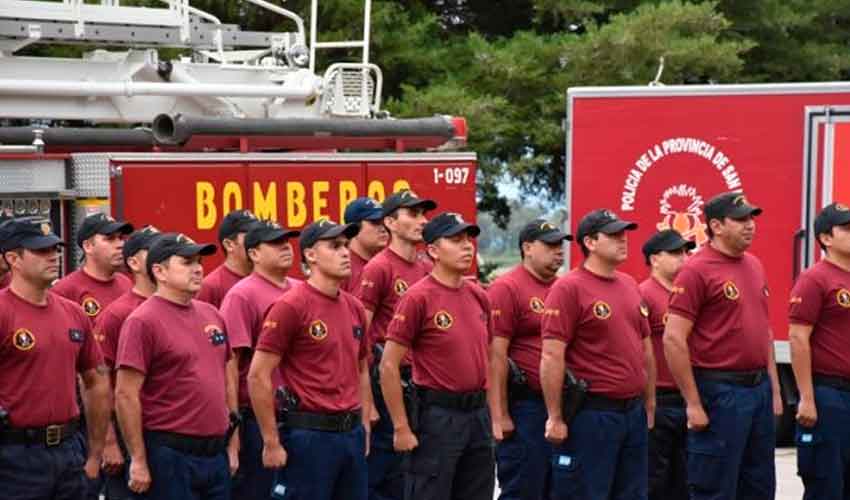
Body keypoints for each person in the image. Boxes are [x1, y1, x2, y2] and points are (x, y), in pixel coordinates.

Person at [663, 192, 781, 500]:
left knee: (758, 485)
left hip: (757, 389)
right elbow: (673, 339)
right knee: (716, 486)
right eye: (740, 219)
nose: (750, 225)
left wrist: (775, 391)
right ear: (716, 225)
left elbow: (763, 332)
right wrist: (692, 402)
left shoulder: (753, 265)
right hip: (720, 391)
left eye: (751, 218)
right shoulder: (696, 270)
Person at [248, 219, 371, 500]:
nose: (345, 252)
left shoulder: (353, 306)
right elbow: (257, 375)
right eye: (334, 246)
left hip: (349, 432)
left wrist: (363, 424)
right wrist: (271, 441)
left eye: (345, 246)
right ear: (310, 255)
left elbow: (362, 367)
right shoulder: (291, 306)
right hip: (309, 435)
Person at [540, 208, 656, 500]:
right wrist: (555, 417)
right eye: (614, 235)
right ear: (590, 242)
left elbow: (645, 347)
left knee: (633, 493)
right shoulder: (568, 288)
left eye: (624, 233)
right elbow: (552, 355)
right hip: (593, 414)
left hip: (632, 413)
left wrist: (649, 404)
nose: (623, 240)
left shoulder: (629, 285)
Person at [380, 212, 495, 500]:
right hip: (439, 418)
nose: (467, 246)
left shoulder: (478, 295)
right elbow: (389, 365)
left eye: (468, 239)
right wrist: (401, 427)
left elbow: (490, 357)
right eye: (455, 240)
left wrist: (493, 414)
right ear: (432, 250)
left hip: (478, 415)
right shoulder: (418, 297)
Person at [115, 233, 239, 500]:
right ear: (159, 271)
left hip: (214, 451)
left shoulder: (212, 314)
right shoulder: (142, 321)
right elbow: (126, 394)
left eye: (198, 261)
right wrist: (137, 459)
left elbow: (226, 379)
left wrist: (232, 444)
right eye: (186, 262)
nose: (197, 268)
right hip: (170, 453)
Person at [0, 217, 110, 499]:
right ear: (13, 258)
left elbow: (96, 382)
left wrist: (95, 454)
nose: (54, 256)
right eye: (41, 250)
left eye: (55, 248)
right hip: (15, 456)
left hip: (70, 450)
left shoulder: (74, 313)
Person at [356, 189, 436, 500]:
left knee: (417, 469)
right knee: (387, 471)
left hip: (421, 384)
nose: (422, 221)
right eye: (413, 214)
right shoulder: (379, 267)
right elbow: (359, 335)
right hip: (389, 380)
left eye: (422, 214)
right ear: (390, 222)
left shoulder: (426, 267)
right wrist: (368, 403)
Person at [488, 219, 569, 500]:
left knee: (560, 487)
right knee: (525, 486)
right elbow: (495, 355)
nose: (558, 252)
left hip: (564, 404)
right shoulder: (507, 287)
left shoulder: (565, 287)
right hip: (526, 407)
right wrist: (499, 415)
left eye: (560, 245)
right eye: (550, 245)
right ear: (528, 248)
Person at [220, 220, 300, 500]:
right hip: (259, 417)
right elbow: (230, 364)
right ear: (253, 253)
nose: (286, 247)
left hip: (303, 418)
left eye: (287, 241)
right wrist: (234, 429)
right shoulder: (242, 295)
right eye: (275, 243)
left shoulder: (300, 289)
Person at [93, 225, 162, 500]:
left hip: (167, 437)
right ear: (133, 262)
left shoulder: (185, 308)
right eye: (154, 249)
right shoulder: (118, 314)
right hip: (129, 433)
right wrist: (108, 441)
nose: (163, 254)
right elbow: (98, 382)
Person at [789, 202, 850, 500]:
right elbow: (798, 338)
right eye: (847, 229)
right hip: (830, 394)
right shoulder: (815, 279)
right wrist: (807, 398)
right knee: (827, 484)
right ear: (826, 238)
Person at [638, 230, 694, 500]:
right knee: (655, 481)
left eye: (685, 252)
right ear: (654, 259)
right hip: (659, 400)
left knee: (684, 481)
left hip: (687, 398)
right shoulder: (644, 294)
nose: (683, 258)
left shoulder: (685, 293)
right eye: (675, 253)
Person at [51, 212, 134, 318]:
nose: (120, 244)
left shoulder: (125, 283)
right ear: (88, 246)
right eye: (110, 238)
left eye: (121, 238)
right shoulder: (65, 291)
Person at [197, 209, 259, 308]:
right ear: (229, 244)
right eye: (251, 235)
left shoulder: (267, 279)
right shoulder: (210, 287)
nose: (258, 240)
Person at [341, 197, 388, 293]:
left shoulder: (386, 265)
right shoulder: (341, 267)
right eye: (375, 222)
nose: (383, 229)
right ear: (354, 228)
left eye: (384, 222)